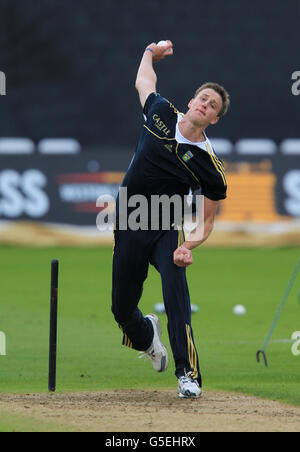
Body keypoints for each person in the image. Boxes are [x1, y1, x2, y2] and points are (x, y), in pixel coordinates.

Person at [111, 40, 230, 398]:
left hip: (165, 226)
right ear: (192, 102)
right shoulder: (161, 112)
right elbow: (143, 83)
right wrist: (149, 52)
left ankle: (188, 374)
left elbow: (207, 222)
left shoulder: (210, 166)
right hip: (129, 219)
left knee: (176, 295)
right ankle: (148, 338)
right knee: (121, 310)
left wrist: (189, 245)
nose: (205, 104)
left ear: (214, 119)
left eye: (212, 105)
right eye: (203, 98)